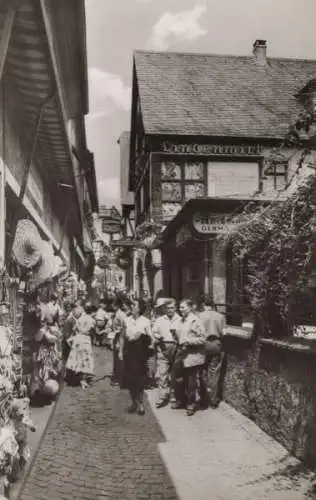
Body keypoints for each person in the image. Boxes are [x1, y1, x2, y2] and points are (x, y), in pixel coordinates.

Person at [173, 299, 206, 416]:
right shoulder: (181, 320)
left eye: (183, 307)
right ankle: (181, 401)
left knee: (190, 381)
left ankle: (190, 404)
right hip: (181, 353)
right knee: (179, 379)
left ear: (190, 307)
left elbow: (202, 339)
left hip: (191, 355)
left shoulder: (195, 321)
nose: (180, 310)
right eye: (180, 307)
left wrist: (188, 341)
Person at [119, 299, 152, 415]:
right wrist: (120, 351)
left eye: (134, 305)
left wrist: (141, 336)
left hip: (140, 353)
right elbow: (122, 336)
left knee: (139, 379)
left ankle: (141, 403)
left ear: (139, 308)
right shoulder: (126, 320)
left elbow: (150, 339)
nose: (132, 307)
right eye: (132, 305)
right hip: (129, 351)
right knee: (129, 379)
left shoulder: (146, 322)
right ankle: (134, 402)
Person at [197, 294, 226, 409]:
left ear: (203, 305)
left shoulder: (199, 316)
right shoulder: (220, 316)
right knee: (214, 373)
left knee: (202, 372)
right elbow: (225, 333)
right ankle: (213, 401)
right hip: (216, 345)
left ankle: (203, 398)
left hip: (202, 345)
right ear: (213, 305)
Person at [153, 298, 180, 408]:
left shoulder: (180, 319)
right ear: (164, 309)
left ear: (175, 308)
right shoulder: (160, 320)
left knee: (175, 374)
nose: (170, 310)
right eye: (168, 308)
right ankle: (162, 397)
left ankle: (174, 395)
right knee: (162, 373)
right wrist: (156, 336)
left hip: (176, 347)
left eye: (172, 308)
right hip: (163, 346)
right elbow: (154, 331)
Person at [65, 301, 95, 389]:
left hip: (78, 339)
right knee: (85, 360)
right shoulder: (90, 319)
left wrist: (78, 330)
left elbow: (75, 329)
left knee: (79, 359)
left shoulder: (80, 318)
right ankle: (83, 380)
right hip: (85, 340)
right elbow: (88, 331)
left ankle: (81, 380)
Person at [111, 297, 129, 387]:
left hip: (119, 337)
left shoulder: (121, 314)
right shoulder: (116, 313)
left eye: (114, 304)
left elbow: (123, 327)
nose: (112, 306)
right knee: (116, 358)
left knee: (119, 358)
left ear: (117, 305)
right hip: (115, 336)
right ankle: (117, 377)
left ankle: (119, 378)